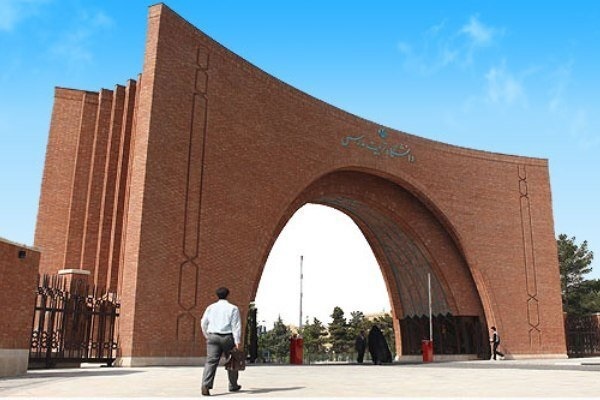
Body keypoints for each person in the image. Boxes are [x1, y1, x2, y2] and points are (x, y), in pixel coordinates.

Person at [200, 287, 242, 396]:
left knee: (211, 362)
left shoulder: (210, 307)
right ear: (228, 295)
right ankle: (233, 385)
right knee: (232, 360)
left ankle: (206, 385)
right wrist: (237, 341)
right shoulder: (233, 308)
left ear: (217, 295)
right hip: (227, 337)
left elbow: (203, 322)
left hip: (213, 336)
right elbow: (236, 326)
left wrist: (207, 335)